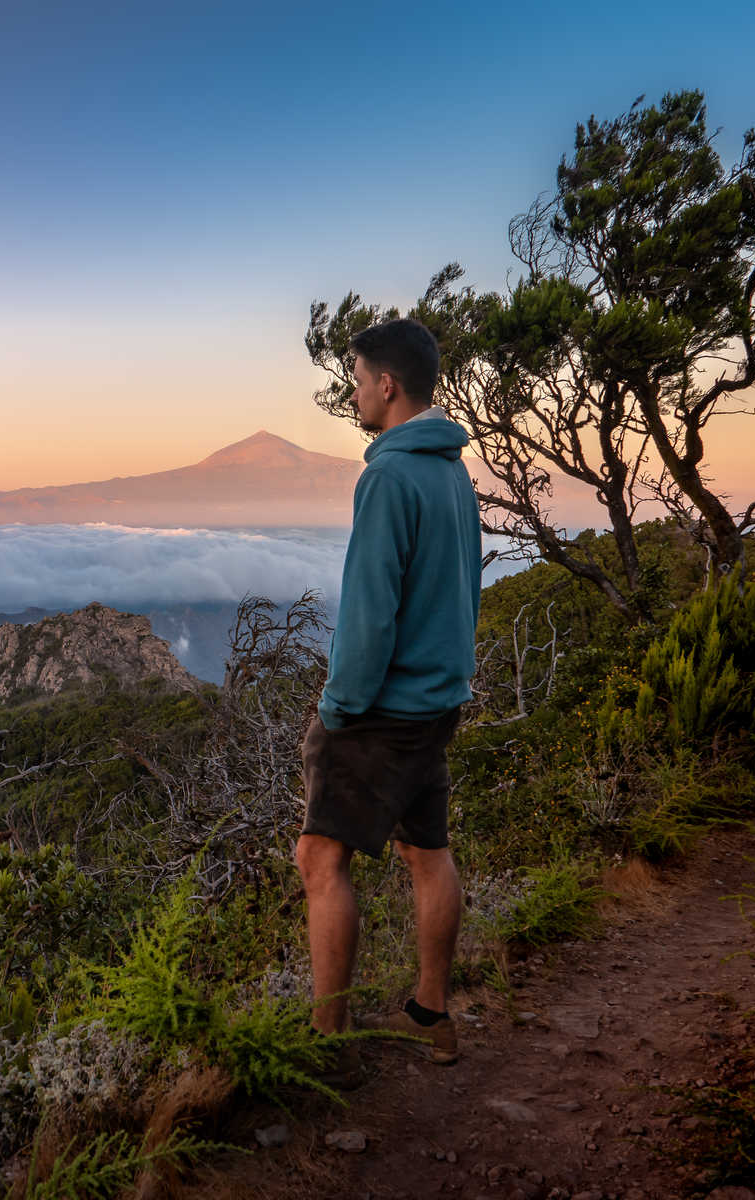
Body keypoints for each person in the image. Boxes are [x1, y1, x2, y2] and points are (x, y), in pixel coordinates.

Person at [296, 316, 482, 1080]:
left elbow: (369, 615)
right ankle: (432, 1015)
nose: (352, 393)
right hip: (437, 704)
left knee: (319, 857)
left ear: (387, 385)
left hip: (383, 712)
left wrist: (338, 709)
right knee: (426, 851)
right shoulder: (451, 473)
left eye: (357, 379)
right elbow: (463, 589)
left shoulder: (388, 477)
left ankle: (327, 1044)